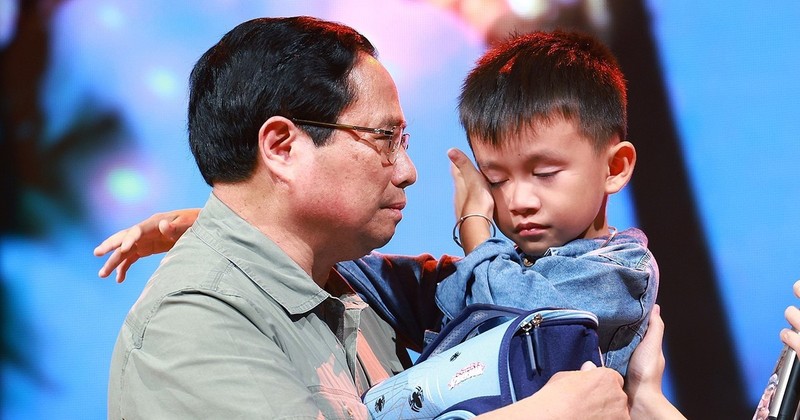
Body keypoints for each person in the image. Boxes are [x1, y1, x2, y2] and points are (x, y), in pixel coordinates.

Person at [103, 16, 646, 419]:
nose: (409, 171)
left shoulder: (344, 287)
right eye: (385, 138)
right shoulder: (194, 323)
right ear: (283, 147)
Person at [434, 30, 657, 376]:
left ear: (614, 167)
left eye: (545, 173)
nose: (518, 201)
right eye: (495, 180)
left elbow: (519, 315)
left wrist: (475, 224)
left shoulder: (622, 269)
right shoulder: (504, 266)